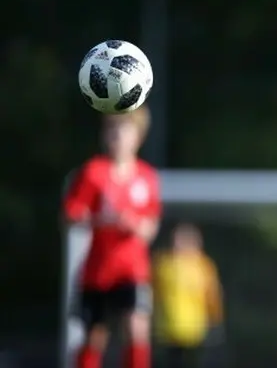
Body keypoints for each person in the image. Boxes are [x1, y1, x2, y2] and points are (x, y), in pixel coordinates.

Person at [63, 106, 161, 368]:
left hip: (132, 271)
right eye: (112, 130)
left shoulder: (146, 177)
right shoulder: (93, 172)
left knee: (137, 326)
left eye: (124, 130)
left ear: (138, 136)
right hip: (98, 271)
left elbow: (151, 226)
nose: (117, 136)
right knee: (96, 336)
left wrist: (136, 225)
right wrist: (97, 218)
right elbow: (72, 213)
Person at [153, 222, 225, 368]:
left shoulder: (203, 265)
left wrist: (215, 319)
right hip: (169, 329)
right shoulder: (163, 264)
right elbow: (154, 293)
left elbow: (212, 294)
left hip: (195, 330)